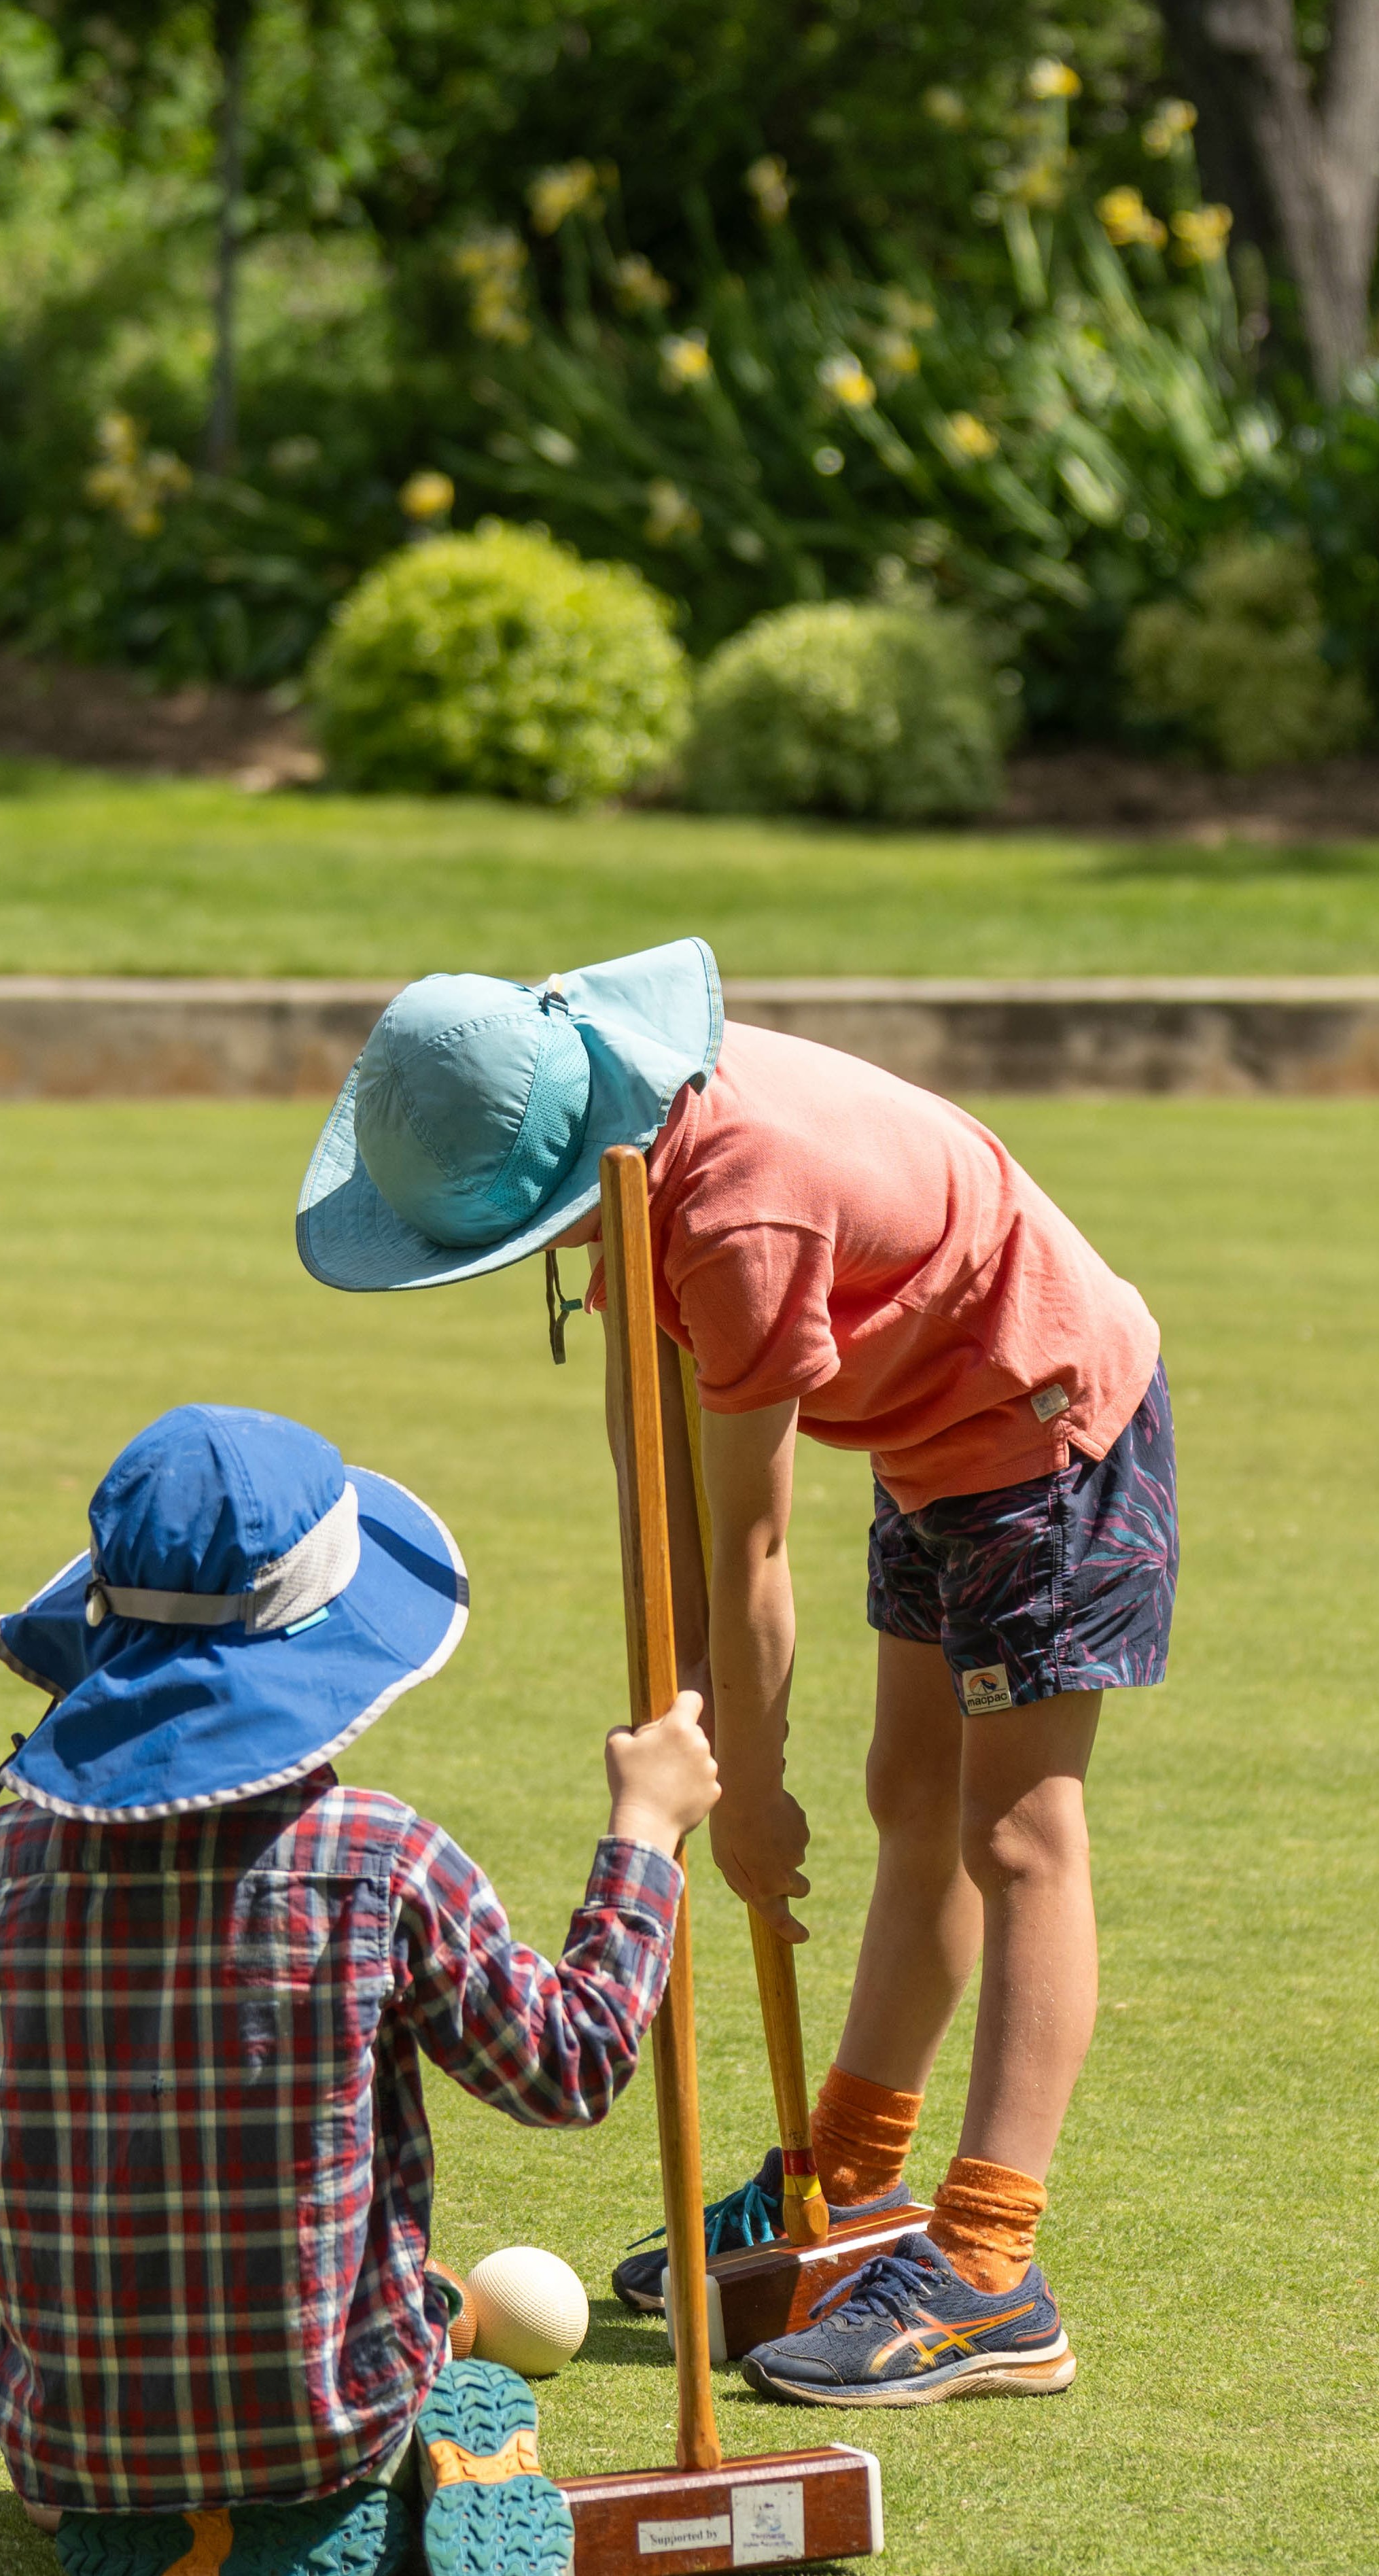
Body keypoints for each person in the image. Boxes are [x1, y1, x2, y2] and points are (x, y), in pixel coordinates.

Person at [295, 941, 1174, 2413]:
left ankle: (988, 2267)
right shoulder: (622, 1150)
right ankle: (849, 2178)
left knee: (1016, 1831)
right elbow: (667, 1502)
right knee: (912, 1794)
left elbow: (755, 1548)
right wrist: (687, 1715)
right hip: (929, 1433)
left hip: (1041, 1415)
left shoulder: (732, 1208)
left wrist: (752, 1800)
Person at [0, 1399, 720, 2576]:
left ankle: (165, 2518)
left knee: (376, 2303)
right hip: (324, 2421)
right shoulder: (382, 1860)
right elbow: (575, 2062)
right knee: (431, 2325)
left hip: (69, 2456)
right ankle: (405, 2448)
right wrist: (646, 1832)